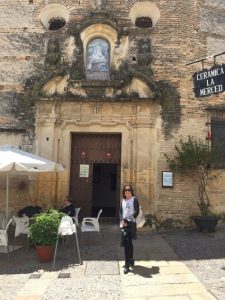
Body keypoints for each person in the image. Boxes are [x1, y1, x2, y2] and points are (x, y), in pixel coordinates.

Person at [119, 184, 139, 274]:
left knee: (128, 243)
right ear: (124, 191)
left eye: (129, 190)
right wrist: (122, 220)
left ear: (131, 191)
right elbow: (120, 212)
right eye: (126, 190)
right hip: (124, 224)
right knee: (127, 243)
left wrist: (129, 218)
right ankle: (129, 261)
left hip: (131, 224)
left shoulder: (134, 199)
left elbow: (136, 211)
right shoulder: (123, 200)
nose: (127, 191)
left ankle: (128, 262)